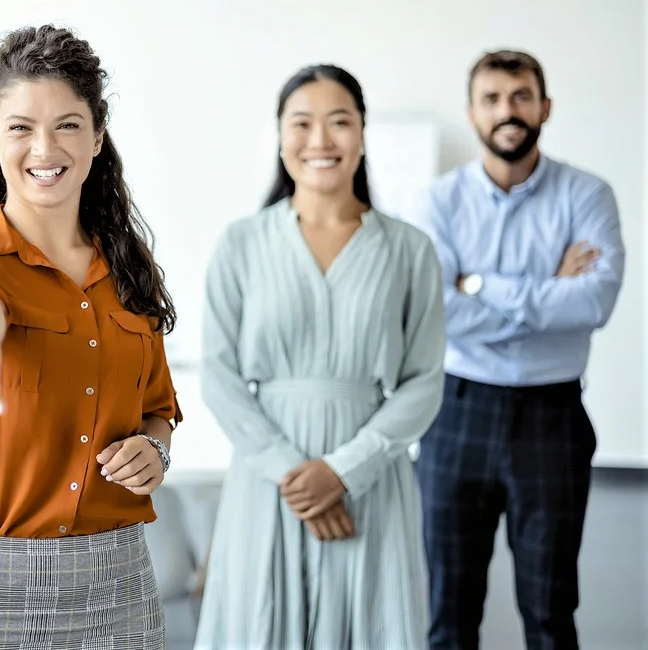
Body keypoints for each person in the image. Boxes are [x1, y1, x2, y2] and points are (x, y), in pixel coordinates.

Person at [0, 24, 182, 649]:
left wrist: (156, 451)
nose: (45, 146)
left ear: (96, 138)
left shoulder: (128, 266)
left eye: (67, 124)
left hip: (118, 584)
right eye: (20, 126)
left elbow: (157, 409)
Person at [194, 64, 446, 649]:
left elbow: (423, 380)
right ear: (280, 136)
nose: (320, 140)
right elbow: (220, 376)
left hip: (372, 482)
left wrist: (344, 472)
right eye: (301, 123)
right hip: (268, 481)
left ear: (362, 134)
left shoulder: (409, 250)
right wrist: (295, 475)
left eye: (339, 122)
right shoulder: (241, 244)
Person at [409, 50, 624, 650]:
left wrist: (476, 284)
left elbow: (595, 303)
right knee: (449, 613)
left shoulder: (588, 195)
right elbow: (436, 311)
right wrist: (550, 291)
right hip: (455, 414)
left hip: (551, 417)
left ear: (545, 107)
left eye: (522, 96)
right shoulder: (437, 203)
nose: (509, 110)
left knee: (551, 609)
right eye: (493, 98)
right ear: (473, 113)